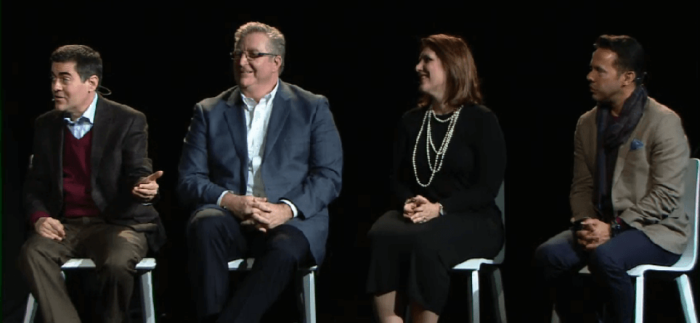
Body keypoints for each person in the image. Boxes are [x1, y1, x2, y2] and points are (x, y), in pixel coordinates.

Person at [178, 21, 343, 323]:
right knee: (204, 224)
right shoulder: (209, 111)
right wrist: (231, 201)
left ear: (276, 62)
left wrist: (285, 209)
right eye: (238, 54)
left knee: (283, 250)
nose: (242, 62)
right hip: (232, 219)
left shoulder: (312, 107)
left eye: (253, 54)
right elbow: (189, 180)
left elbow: (328, 176)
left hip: (291, 221)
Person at [534, 35, 690, 323]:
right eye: (591, 68)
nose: (589, 76)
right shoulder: (587, 123)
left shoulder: (663, 122)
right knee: (549, 256)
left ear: (627, 77)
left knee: (607, 257)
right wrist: (584, 223)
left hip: (655, 230)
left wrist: (615, 228)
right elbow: (582, 185)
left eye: (599, 70)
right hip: (602, 225)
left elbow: (666, 194)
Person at [19, 44, 166, 323]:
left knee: (117, 262)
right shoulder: (46, 125)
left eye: (64, 78)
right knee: (33, 253)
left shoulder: (127, 120)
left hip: (117, 223)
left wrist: (143, 188)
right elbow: (34, 186)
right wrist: (39, 218)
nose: (55, 87)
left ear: (91, 83)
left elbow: (138, 171)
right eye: (52, 78)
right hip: (67, 226)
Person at [366, 34, 506, 323]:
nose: (418, 66)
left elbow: (487, 188)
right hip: (420, 213)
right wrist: (406, 201)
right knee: (381, 233)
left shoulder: (481, 120)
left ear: (451, 65)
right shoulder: (411, 121)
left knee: (426, 242)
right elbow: (396, 178)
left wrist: (440, 209)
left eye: (427, 60)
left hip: (473, 218)